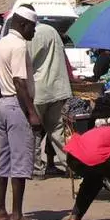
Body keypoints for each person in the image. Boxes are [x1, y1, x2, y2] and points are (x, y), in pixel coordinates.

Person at [0, 5, 45, 220]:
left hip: (2, 104)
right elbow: (19, 82)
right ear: (23, 25)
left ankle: (1, 211)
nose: (33, 32)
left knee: (2, 161)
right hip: (16, 105)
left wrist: (1, 102)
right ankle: (18, 216)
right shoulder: (20, 46)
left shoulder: (1, 44)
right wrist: (32, 113)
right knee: (21, 161)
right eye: (32, 27)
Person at [28, 23, 73, 179]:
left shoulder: (33, 34)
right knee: (58, 132)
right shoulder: (52, 30)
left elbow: (27, 61)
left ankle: (37, 168)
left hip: (39, 90)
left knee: (34, 131)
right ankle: (71, 166)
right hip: (58, 88)